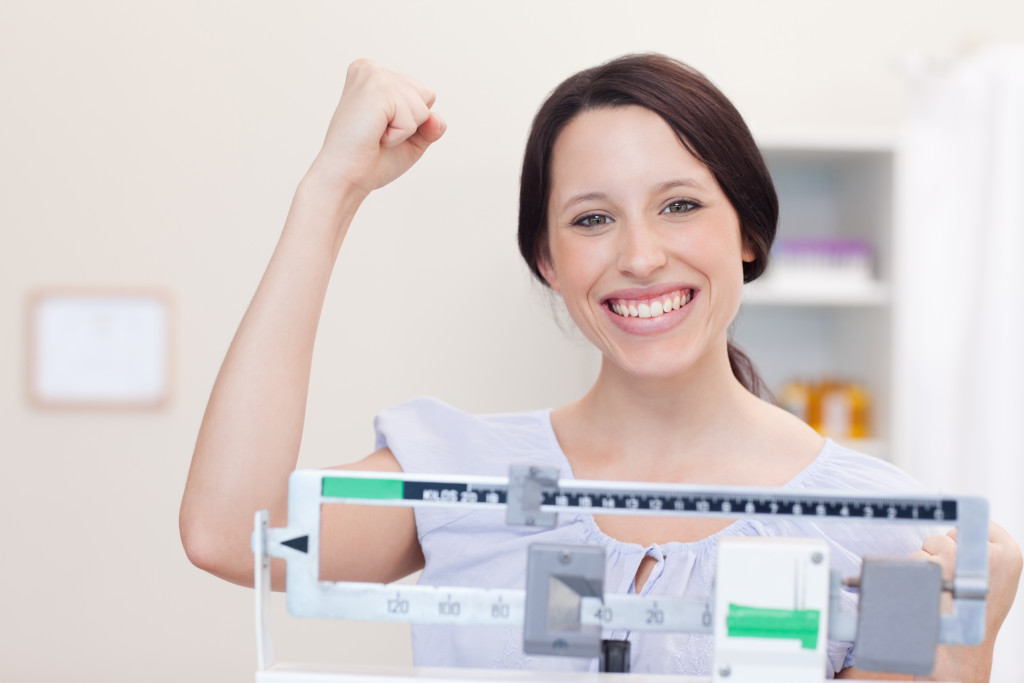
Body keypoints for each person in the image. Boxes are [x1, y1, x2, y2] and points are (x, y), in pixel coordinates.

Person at [180, 54, 1021, 680]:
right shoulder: (462, 479)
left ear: (748, 232)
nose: (641, 256)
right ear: (547, 260)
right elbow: (228, 534)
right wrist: (331, 189)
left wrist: (962, 648)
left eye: (680, 205)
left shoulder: (878, 530)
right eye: (592, 219)